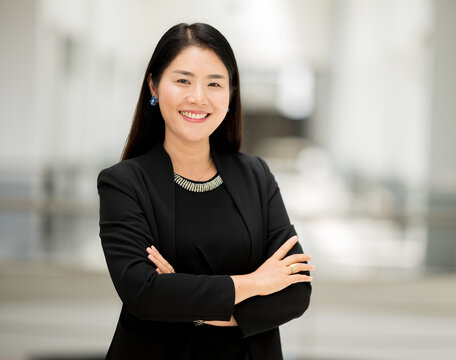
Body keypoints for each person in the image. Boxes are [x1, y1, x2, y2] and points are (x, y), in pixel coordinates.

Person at [97, 22, 314, 360]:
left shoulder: (256, 175)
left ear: (230, 95)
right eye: (183, 80)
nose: (197, 97)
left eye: (214, 83)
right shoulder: (123, 183)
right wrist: (255, 283)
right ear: (154, 86)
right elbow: (144, 294)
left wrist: (186, 300)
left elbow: (296, 290)